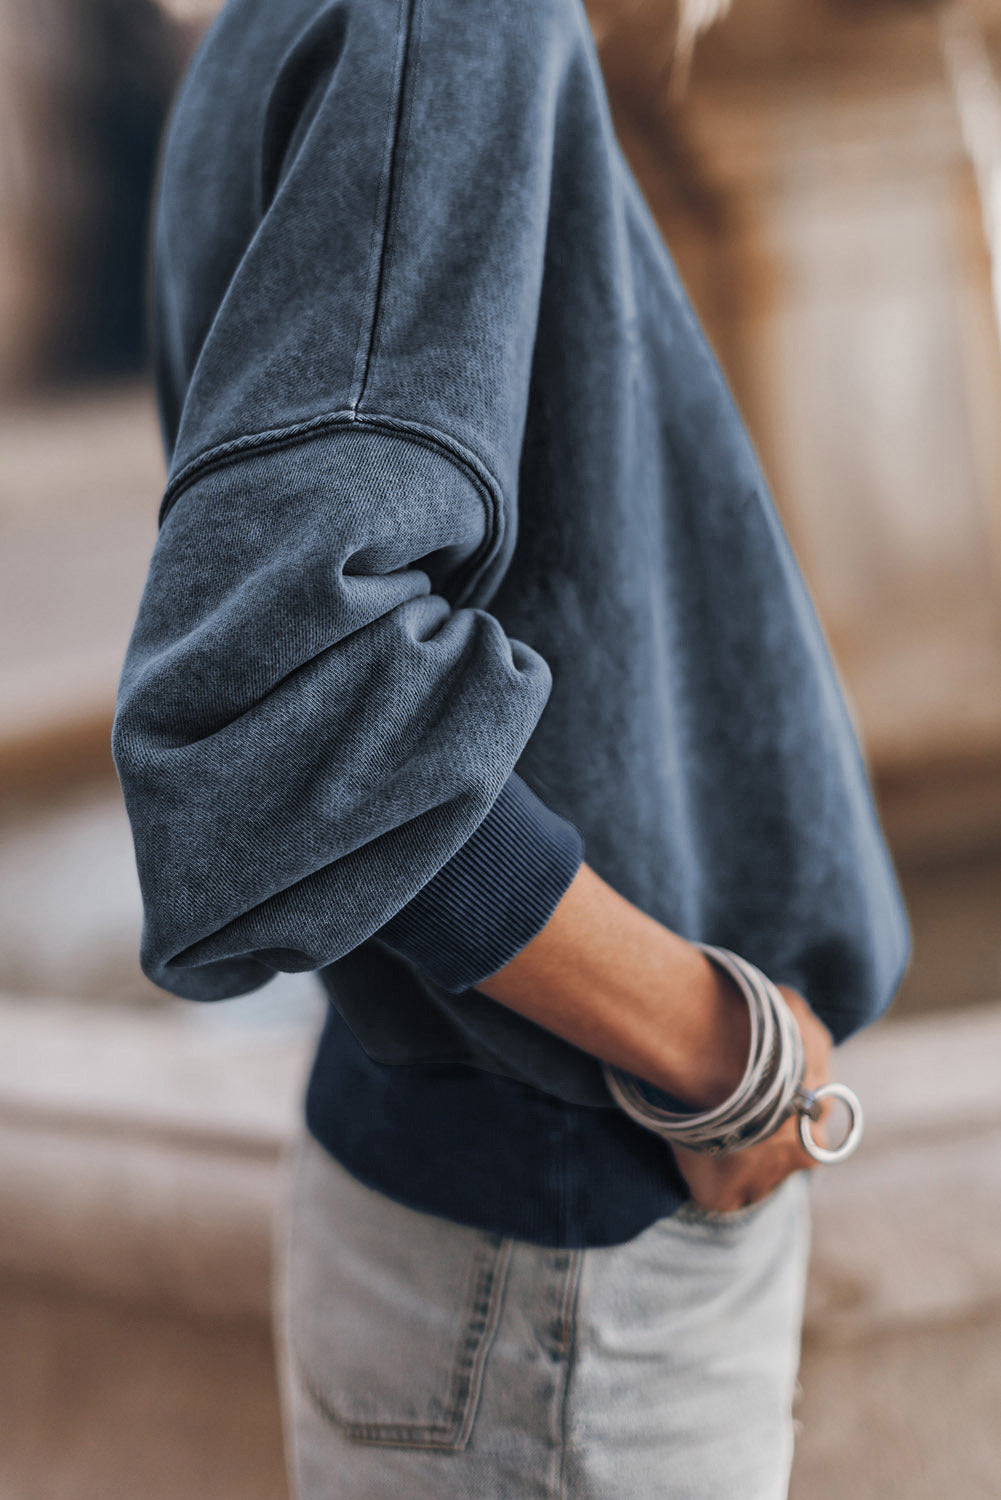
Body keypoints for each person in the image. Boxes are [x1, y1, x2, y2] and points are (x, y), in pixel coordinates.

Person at [112, 0, 912, 1495]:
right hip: (569, 1247)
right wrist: (714, 1049)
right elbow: (291, 684)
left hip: (502, 1237)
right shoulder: (448, 18)